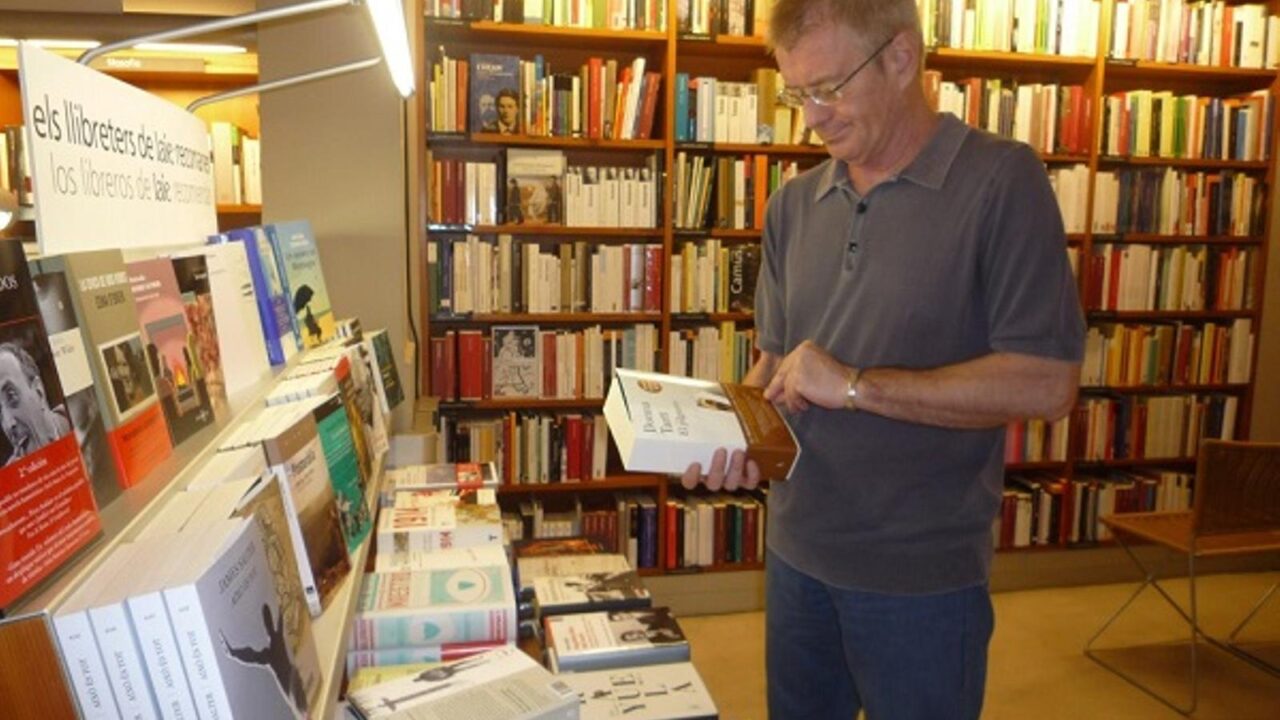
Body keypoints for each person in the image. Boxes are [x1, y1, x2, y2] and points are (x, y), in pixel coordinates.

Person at [680, 1, 1084, 718]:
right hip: (797, 551)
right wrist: (733, 433)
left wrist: (856, 387)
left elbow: (1048, 383)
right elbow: (774, 363)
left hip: (920, 576)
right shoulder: (793, 204)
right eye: (797, 93)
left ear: (901, 58)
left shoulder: (1001, 181)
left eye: (829, 88)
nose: (812, 117)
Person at [0, 340, 72, 466]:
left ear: (39, 391)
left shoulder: (79, 423)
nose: (9, 423)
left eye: (11, 396)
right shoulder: (12, 472)